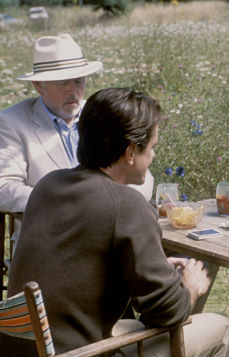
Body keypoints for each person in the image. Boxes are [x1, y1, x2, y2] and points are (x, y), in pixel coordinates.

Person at [0, 88, 229, 357]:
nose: (153, 155)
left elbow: (83, 265)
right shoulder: (125, 204)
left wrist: (155, 268)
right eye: (151, 147)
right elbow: (167, 312)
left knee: (135, 326)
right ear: (130, 153)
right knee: (220, 330)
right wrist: (190, 287)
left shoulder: (48, 186)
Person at [0, 33, 154, 243]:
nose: (74, 91)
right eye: (63, 82)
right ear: (38, 85)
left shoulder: (100, 113)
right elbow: (3, 189)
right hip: (49, 241)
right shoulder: (12, 121)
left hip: (114, 231)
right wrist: (72, 203)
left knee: (191, 258)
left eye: (79, 81)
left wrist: (120, 204)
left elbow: (141, 170)